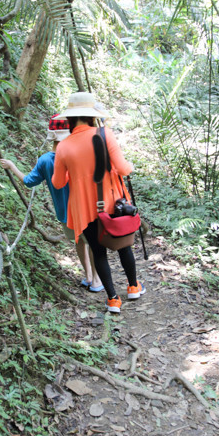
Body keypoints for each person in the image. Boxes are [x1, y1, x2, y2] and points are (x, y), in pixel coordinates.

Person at [52, 92, 145, 313]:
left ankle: (113, 299)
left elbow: (58, 183)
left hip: (85, 209)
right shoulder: (106, 135)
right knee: (124, 246)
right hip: (112, 204)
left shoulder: (63, 147)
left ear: (70, 119)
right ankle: (133, 287)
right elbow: (123, 169)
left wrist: (74, 173)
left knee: (98, 250)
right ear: (92, 116)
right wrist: (129, 165)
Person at [0, 114, 103, 291]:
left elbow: (28, 181)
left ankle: (88, 276)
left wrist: (12, 166)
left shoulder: (45, 160)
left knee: (79, 241)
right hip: (85, 209)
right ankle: (97, 281)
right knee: (93, 243)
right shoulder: (77, 154)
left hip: (64, 212)